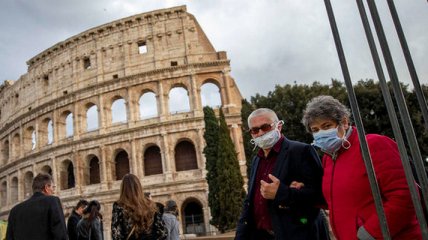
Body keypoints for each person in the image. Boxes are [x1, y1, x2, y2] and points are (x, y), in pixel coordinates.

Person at [301, 95, 422, 239]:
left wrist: (369, 233)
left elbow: (406, 195)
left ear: (344, 122)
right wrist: (300, 191)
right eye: (315, 130)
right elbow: (336, 200)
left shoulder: (373, 145)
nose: (321, 133)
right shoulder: (329, 158)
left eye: (326, 126)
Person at [235, 108, 328, 240]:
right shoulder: (257, 160)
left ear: (279, 126)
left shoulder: (301, 151)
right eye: (255, 130)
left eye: (265, 127)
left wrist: (281, 192)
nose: (260, 133)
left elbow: (321, 196)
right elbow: (250, 202)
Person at [6, 173, 67, 240]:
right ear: (46, 187)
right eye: (53, 187)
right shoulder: (52, 201)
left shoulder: (14, 211)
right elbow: (61, 235)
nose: (53, 192)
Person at [111, 174, 167, 240]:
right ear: (139, 187)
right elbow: (163, 233)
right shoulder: (150, 204)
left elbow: (116, 235)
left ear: (123, 188)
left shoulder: (119, 206)